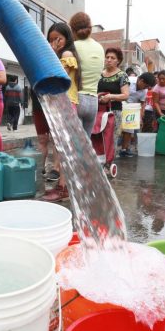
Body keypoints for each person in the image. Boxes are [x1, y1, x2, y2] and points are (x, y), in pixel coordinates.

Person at [40, 22, 82, 202]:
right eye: (50, 39)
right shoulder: (63, 54)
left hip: (65, 104)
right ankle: (63, 187)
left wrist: (51, 52)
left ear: (67, 39)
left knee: (63, 149)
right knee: (60, 148)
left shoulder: (66, 54)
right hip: (62, 104)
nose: (54, 42)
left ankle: (63, 188)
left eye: (58, 39)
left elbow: (58, 76)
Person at [70, 12, 104, 135]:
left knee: (75, 145)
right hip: (93, 101)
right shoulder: (100, 47)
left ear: (72, 29)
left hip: (76, 99)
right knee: (86, 145)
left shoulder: (72, 47)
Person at [119, 72, 156, 157]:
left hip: (131, 108)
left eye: (147, 87)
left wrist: (140, 116)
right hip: (119, 104)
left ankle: (124, 149)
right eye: (146, 86)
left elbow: (142, 103)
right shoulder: (128, 81)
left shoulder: (144, 90)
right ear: (141, 80)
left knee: (129, 129)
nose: (146, 88)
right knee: (117, 128)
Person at [97, 47, 130, 141]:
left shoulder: (122, 75)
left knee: (111, 140)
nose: (109, 60)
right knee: (98, 139)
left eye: (112, 58)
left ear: (118, 61)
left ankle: (111, 156)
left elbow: (126, 95)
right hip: (99, 111)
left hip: (114, 112)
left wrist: (110, 96)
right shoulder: (100, 74)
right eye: (107, 57)